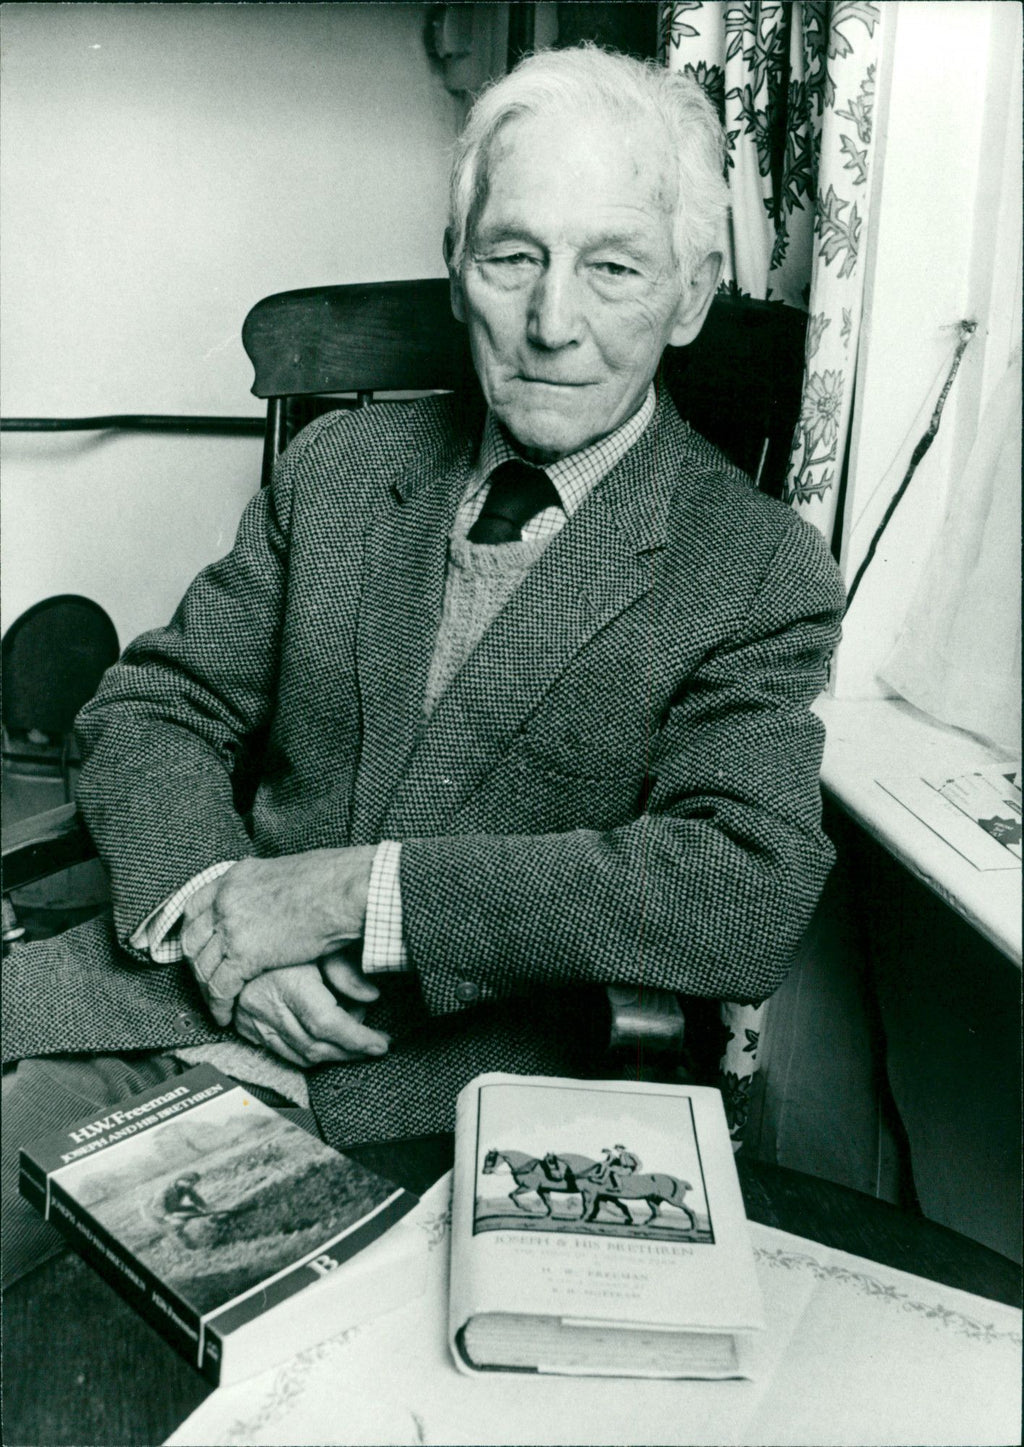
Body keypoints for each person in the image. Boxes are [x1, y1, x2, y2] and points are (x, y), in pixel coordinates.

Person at [3, 44, 844, 1285]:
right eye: (512, 257)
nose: (551, 322)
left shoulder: (756, 566)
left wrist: (359, 895)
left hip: (449, 1113)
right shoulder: (341, 471)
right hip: (161, 1014)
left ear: (689, 295)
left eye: (613, 268)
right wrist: (218, 911)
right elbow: (153, 708)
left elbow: (741, 885)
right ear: (456, 266)